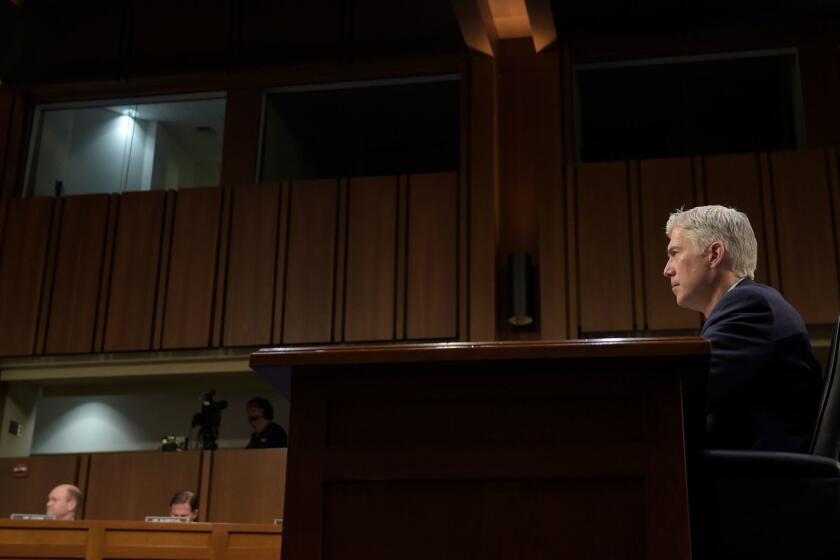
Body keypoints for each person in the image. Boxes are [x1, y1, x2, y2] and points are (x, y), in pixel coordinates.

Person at [663, 205, 821, 452]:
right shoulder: (748, 306)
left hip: (757, 479)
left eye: (674, 253)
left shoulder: (751, 307)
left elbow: (680, 394)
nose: (667, 269)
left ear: (714, 254)